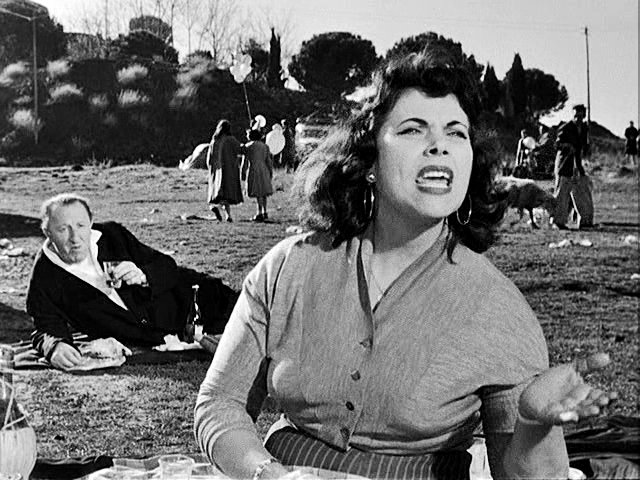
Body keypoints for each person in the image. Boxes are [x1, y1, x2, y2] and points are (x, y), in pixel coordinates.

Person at [194, 51, 616, 480]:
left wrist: (533, 426)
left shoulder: (500, 308)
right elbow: (220, 401)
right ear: (369, 160)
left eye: (456, 133)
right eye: (414, 129)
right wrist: (267, 473)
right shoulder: (288, 268)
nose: (439, 145)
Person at [26, 193, 239, 370]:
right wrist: (55, 348)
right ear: (47, 232)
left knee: (248, 320)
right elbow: (44, 326)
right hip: (156, 338)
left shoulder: (112, 235)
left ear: (90, 222)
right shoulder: (45, 275)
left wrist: (143, 275)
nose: (75, 238)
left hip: (193, 299)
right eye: (63, 229)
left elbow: (167, 266)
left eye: (81, 225)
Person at [551, 104, 594, 230]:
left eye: (580, 116)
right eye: (576, 116)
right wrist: (567, 146)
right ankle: (558, 222)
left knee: (582, 193)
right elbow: (557, 145)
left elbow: (583, 146)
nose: (578, 118)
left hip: (577, 166)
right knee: (562, 194)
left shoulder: (584, 129)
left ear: (584, 116)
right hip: (564, 165)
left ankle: (585, 221)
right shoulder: (566, 128)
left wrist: (586, 149)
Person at [206, 119, 243, 222]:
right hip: (229, 170)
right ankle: (228, 215)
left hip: (217, 170)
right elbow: (241, 150)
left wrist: (211, 169)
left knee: (220, 194)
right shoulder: (231, 140)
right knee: (226, 194)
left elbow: (209, 158)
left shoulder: (214, 141)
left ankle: (220, 209)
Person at [241, 128, 274, 222]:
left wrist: (242, 172)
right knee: (263, 192)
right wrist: (270, 171)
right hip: (264, 169)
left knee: (258, 192)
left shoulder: (248, 146)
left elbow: (245, 161)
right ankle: (265, 211)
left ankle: (259, 213)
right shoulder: (265, 146)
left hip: (253, 169)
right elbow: (268, 160)